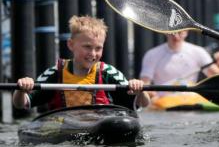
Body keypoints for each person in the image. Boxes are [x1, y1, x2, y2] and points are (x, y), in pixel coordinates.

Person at [13, 15, 150, 111]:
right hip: (65, 127)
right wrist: (21, 90)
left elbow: (143, 104)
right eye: (87, 47)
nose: (93, 53)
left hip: (102, 125)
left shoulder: (109, 73)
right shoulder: (55, 72)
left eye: (98, 48)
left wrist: (141, 91)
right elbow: (21, 103)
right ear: (71, 45)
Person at [140, 31, 219, 98]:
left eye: (180, 32)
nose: (176, 36)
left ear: (186, 32)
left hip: (189, 101)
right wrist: (150, 93)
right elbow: (145, 84)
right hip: (163, 102)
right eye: (172, 33)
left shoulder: (198, 51)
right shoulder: (152, 54)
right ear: (166, 32)